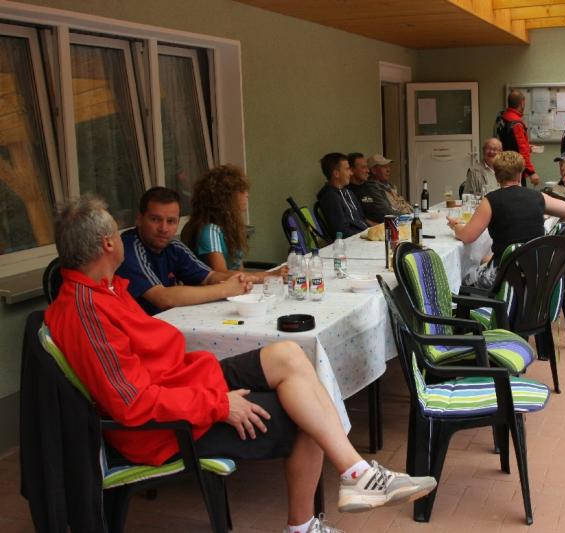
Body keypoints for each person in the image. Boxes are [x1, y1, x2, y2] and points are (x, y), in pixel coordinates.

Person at [45, 195, 437, 533]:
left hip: (185, 381)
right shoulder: (85, 311)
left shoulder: (105, 290)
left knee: (290, 354)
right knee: (307, 414)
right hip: (167, 425)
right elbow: (132, 402)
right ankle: (308, 521)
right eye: (118, 232)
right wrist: (219, 404)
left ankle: (356, 474)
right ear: (107, 244)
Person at [448, 151, 565, 288]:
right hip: (536, 271)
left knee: (463, 279)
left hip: (506, 275)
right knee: (485, 259)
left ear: (496, 175)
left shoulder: (491, 201)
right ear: (520, 174)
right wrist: (554, 235)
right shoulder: (538, 196)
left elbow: (468, 236)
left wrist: (456, 226)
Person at [117, 187, 252, 315]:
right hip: (140, 328)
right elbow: (163, 298)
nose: (163, 228)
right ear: (139, 219)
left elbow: (209, 277)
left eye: (171, 221)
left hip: (168, 322)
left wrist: (242, 280)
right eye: (155, 219)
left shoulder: (173, 246)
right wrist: (225, 289)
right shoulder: (127, 249)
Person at [181, 165, 287, 281]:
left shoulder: (231, 227)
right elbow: (221, 275)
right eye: (241, 190)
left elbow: (239, 271)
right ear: (226, 197)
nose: (247, 194)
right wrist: (269, 275)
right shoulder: (210, 231)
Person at [316, 153, 369, 237]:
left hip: (364, 235)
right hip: (354, 240)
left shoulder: (349, 193)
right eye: (347, 169)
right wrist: (366, 235)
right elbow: (341, 232)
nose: (351, 173)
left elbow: (362, 219)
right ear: (336, 174)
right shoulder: (330, 197)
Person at [350, 154, 412, 224]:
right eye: (384, 167)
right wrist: (409, 217)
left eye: (367, 167)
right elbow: (385, 212)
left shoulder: (374, 187)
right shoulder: (369, 188)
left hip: (394, 222)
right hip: (381, 225)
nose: (367, 171)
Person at [496, 90, 540, 187]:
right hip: (514, 170)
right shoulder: (516, 123)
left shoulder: (501, 118)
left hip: (501, 166)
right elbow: (522, 150)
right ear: (522, 103)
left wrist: (528, 147)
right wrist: (531, 172)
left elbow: (507, 142)